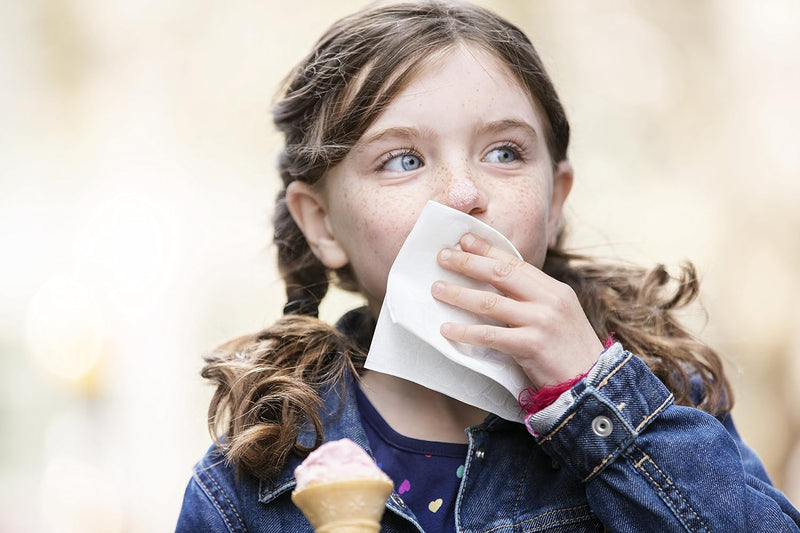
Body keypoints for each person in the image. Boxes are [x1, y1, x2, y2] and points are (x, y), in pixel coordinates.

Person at [176, 1, 800, 531]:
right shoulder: (250, 477)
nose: (462, 193)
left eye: (504, 152)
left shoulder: (663, 397)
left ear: (555, 200)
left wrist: (590, 394)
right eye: (402, 160)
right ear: (322, 224)